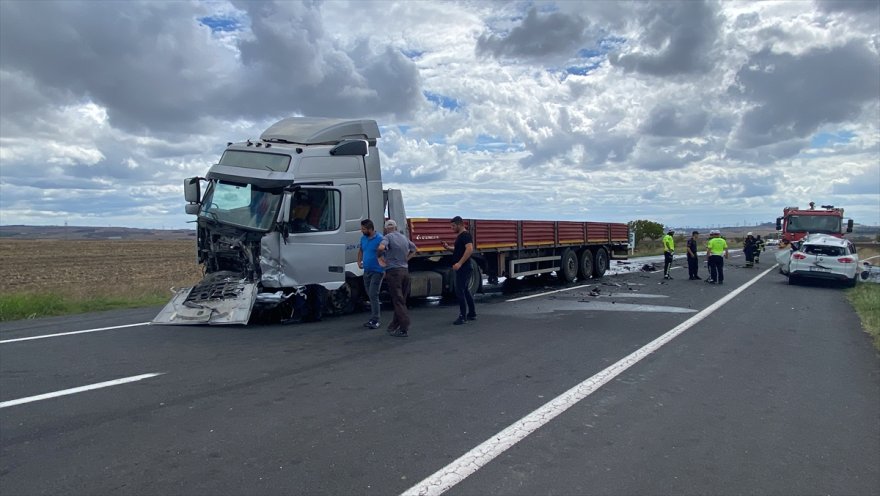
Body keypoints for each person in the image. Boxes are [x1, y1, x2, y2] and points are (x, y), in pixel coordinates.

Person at [377, 219, 417, 338]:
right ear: (395, 227)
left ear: (386, 228)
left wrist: (380, 258)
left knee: (398, 301)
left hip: (394, 272)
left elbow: (381, 247)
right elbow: (414, 249)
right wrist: (406, 258)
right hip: (405, 271)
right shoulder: (403, 237)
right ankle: (394, 325)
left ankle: (404, 327)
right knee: (401, 300)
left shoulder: (387, 237)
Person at [441, 216, 476, 325]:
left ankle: (463, 316)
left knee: (459, 291)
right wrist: (448, 248)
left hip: (464, 267)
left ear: (460, 224)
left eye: (453, 226)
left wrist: (459, 263)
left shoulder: (465, 235)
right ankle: (472, 313)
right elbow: (458, 250)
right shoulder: (460, 236)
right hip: (464, 267)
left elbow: (469, 249)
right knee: (465, 290)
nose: (452, 228)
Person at [358, 219, 384, 329]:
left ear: (370, 229)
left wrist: (384, 267)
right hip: (367, 270)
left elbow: (385, 252)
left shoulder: (380, 239)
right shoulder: (363, 238)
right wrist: (359, 261)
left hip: (377, 271)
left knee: (373, 294)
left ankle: (375, 319)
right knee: (369, 294)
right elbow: (361, 250)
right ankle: (373, 317)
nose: (361, 231)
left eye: (363, 229)